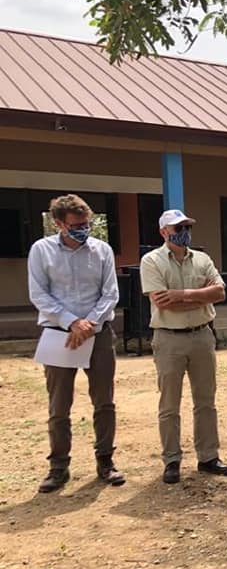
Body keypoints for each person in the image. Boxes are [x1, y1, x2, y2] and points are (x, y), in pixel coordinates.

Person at [27, 194, 125, 492]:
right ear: (58, 223)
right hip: (59, 336)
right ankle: (59, 467)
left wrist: (88, 323)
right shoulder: (41, 251)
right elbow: (39, 294)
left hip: (98, 334)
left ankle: (105, 461)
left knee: (104, 402)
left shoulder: (101, 250)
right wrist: (71, 321)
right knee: (59, 406)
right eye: (77, 225)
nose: (84, 229)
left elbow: (110, 293)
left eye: (87, 223)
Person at [139, 209, 227, 485]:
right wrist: (202, 297)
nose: (183, 231)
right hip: (169, 338)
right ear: (163, 232)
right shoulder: (152, 261)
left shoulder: (202, 259)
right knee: (169, 403)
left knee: (206, 400)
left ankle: (208, 456)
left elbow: (221, 292)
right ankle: (172, 459)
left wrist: (181, 295)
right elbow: (162, 302)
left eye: (186, 226)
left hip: (202, 336)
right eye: (177, 227)